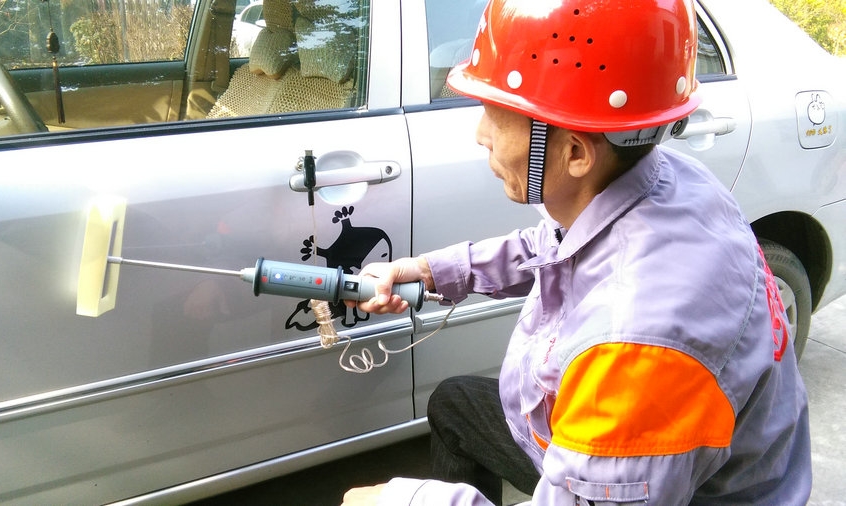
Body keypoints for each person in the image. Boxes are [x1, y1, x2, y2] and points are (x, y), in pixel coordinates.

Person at [342, 0, 812, 504]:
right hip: (630, 449)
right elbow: (553, 244)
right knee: (455, 406)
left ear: (575, 153)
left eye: (497, 116)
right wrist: (428, 271)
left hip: (671, 485)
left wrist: (405, 500)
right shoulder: (669, 180)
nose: (481, 136)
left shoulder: (636, 347)